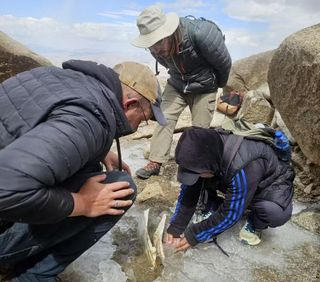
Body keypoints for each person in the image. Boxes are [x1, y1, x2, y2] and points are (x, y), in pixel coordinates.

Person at [0, 60, 166, 281]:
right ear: (130, 104)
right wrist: (83, 203)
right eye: (144, 119)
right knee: (121, 188)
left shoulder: (62, 80)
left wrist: (95, 149)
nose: (139, 127)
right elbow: (6, 189)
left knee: (92, 169)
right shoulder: (89, 118)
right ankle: (32, 277)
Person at [132, 5, 232, 179]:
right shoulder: (157, 47)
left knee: (200, 129)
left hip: (204, 87)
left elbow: (224, 63)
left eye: (157, 43)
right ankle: (155, 161)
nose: (155, 50)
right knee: (164, 118)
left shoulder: (201, 34)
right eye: (150, 45)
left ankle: (195, 165)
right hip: (178, 83)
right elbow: (167, 64)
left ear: (168, 32)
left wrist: (217, 85)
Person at [165, 127, 294, 251]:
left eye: (199, 173)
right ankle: (213, 204)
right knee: (199, 179)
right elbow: (189, 190)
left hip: (267, 185)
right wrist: (176, 227)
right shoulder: (204, 149)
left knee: (275, 213)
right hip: (234, 178)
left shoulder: (245, 166)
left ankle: (255, 222)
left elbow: (232, 213)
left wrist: (194, 235)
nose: (196, 176)